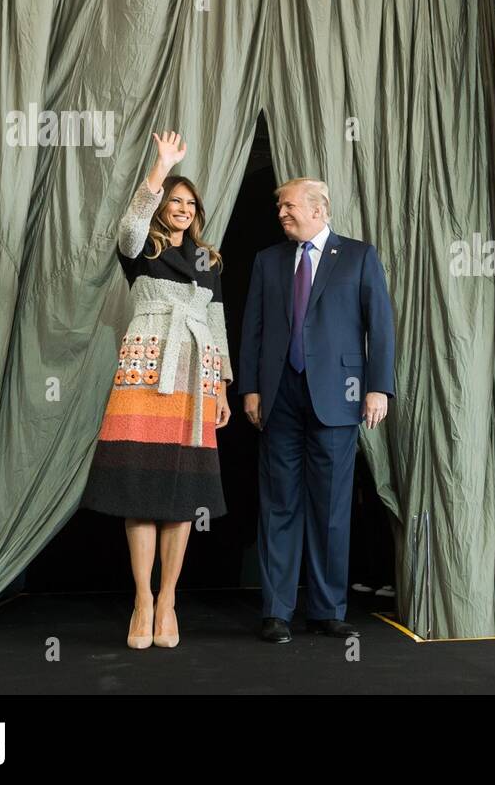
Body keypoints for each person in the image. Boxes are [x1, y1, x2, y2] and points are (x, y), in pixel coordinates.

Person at [80, 131, 233, 649]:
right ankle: (141, 599)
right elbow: (127, 225)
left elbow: (216, 327)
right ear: (161, 207)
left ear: (199, 212)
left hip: (193, 383)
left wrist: (222, 391)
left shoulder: (209, 262)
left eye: (190, 203)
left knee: (181, 494)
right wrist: (160, 166)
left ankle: (169, 599)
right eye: (174, 201)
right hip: (143, 379)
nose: (183, 208)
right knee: (138, 490)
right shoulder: (140, 247)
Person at [240, 177, 395, 643]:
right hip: (279, 396)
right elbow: (253, 329)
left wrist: (378, 389)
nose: (281, 214)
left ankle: (327, 609)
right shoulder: (267, 261)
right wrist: (249, 388)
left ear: (319, 208)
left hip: (340, 395)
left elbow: (380, 326)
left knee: (331, 507)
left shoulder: (359, 256)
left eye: (288, 206)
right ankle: (276, 611)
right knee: (279, 503)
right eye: (280, 207)